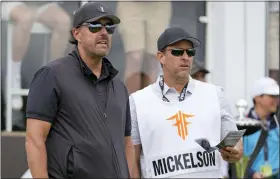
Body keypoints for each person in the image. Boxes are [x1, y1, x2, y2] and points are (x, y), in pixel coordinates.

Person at [25, 2, 134, 178]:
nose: (104, 32)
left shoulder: (119, 87)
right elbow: (34, 140)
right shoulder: (52, 75)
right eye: (95, 26)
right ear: (76, 33)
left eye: (109, 27)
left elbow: (127, 145)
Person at [129, 27, 243, 178]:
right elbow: (132, 159)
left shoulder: (215, 94)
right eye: (177, 52)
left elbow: (235, 142)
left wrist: (235, 152)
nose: (185, 57)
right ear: (161, 57)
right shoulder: (138, 101)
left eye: (190, 52)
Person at [1, 1, 71, 110]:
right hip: (14, 3)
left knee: (64, 22)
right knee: (26, 18)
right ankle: (13, 75)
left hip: (42, 4)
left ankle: (52, 78)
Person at [116, 1, 172, 94]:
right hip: (130, 5)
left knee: (152, 59)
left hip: (159, 6)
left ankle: (147, 105)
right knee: (135, 57)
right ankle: (130, 104)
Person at [243, 77, 279, 179]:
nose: (276, 100)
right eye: (272, 96)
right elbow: (236, 159)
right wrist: (252, 174)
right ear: (257, 98)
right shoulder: (242, 126)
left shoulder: (277, 125)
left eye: (277, 96)